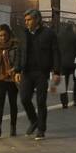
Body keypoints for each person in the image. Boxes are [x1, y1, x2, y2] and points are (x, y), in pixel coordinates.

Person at [18, 9, 61, 139]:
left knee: (41, 101)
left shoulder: (49, 34)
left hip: (42, 72)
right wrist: (17, 70)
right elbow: (20, 52)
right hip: (26, 71)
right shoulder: (24, 34)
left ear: (37, 20)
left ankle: (41, 129)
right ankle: (34, 121)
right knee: (24, 99)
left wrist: (56, 72)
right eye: (25, 20)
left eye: (29, 20)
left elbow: (55, 53)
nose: (26, 23)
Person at [0, 23, 21, 137]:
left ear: (9, 34)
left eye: (4, 35)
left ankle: (13, 127)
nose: (2, 38)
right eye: (0, 35)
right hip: (0, 79)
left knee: (13, 104)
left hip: (12, 79)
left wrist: (15, 69)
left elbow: (18, 60)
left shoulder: (15, 45)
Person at [56, 22, 76, 109]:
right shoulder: (75, 36)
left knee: (63, 83)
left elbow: (55, 50)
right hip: (75, 62)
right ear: (72, 27)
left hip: (63, 63)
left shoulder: (59, 36)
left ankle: (64, 103)